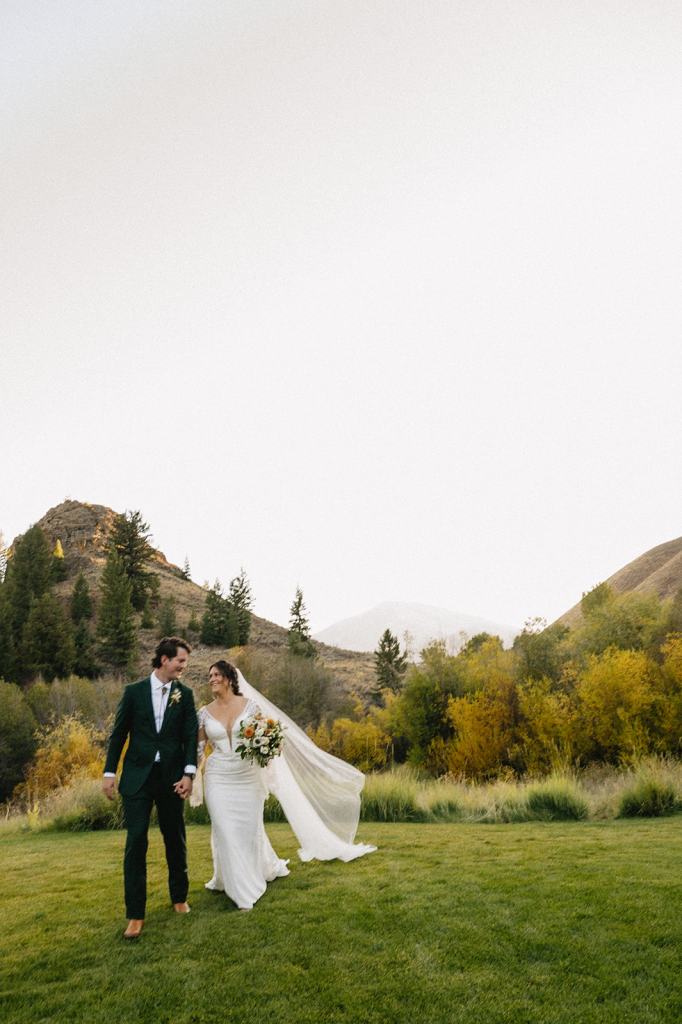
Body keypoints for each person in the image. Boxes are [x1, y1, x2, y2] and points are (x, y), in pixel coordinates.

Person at [192, 659, 376, 911]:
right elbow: (199, 749)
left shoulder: (250, 706)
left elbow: (267, 736)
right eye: (210, 675)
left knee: (248, 830)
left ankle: (249, 872)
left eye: (216, 675)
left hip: (247, 776)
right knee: (224, 828)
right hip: (218, 776)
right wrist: (188, 775)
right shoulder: (204, 713)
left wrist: (270, 746)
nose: (211, 679)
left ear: (229, 678)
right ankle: (241, 890)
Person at [103, 636, 199, 939]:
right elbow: (119, 734)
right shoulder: (133, 692)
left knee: (175, 838)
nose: (183, 666)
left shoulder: (185, 695)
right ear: (164, 660)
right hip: (137, 778)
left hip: (172, 778)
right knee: (136, 842)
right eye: (180, 661)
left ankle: (179, 897)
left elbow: (190, 736)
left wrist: (189, 774)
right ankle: (135, 915)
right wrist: (109, 772)